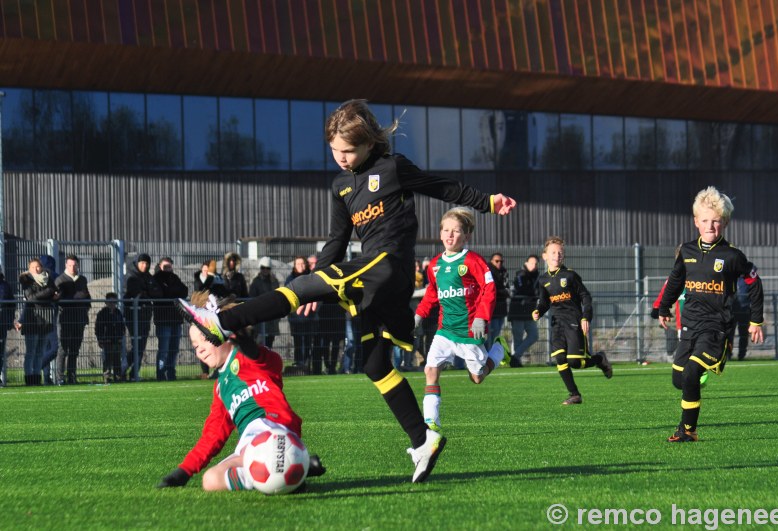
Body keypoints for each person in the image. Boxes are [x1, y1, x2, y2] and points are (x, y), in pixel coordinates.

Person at [178, 99, 516, 483]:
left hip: (389, 266)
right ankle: (423, 439)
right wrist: (314, 289)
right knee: (374, 363)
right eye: (334, 150)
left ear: (370, 143)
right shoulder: (340, 186)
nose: (340, 157)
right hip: (366, 278)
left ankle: (221, 320)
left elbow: (443, 187)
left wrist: (488, 202)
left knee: (302, 285)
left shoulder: (393, 168)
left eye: (348, 150)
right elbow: (336, 242)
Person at [157, 290, 325, 491]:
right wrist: (184, 471)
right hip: (252, 446)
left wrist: (248, 345)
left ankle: (285, 471)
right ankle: (293, 471)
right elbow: (213, 434)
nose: (199, 349)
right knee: (210, 480)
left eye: (205, 339)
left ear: (224, 334)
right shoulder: (221, 387)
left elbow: (272, 363)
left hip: (276, 430)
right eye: (195, 345)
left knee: (213, 480)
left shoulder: (247, 358)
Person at [657, 186, 764, 442]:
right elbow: (675, 280)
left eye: (716, 221)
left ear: (724, 222)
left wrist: (755, 320)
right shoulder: (687, 251)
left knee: (691, 373)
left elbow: (754, 283)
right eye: (705, 220)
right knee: (678, 379)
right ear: (696, 222)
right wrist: (664, 307)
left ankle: (688, 430)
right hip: (689, 328)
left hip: (716, 327)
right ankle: (698, 374)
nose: (710, 226)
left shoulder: (732, 256)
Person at [414, 207, 510, 431]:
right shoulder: (435, 265)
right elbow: (432, 293)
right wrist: (418, 316)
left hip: (469, 332)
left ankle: (498, 350)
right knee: (430, 370)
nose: (450, 235)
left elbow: (489, 288)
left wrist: (481, 318)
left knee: (477, 378)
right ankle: (431, 423)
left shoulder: (473, 260)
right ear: (440, 234)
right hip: (445, 330)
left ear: (466, 236)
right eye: (446, 230)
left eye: (455, 231)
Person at [533, 236, 613, 405]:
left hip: (574, 321)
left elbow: (586, 296)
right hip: (557, 323)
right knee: (560, 358)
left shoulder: (570, 275)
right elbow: (544, 301)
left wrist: (586, 316)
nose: (557, 255)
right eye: (553, 252)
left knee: (575, 362)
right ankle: (574, 394)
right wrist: (538, 311)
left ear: (564, 256)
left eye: (560, 252)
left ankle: (599, 359)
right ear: (544, 256)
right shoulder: (542, 280)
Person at [19, 258, 60, 386]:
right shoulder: (26, 280)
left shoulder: (48, 278)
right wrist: (48, 292)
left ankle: (37, 378)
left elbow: (54, 292)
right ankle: (28, 378)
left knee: (40, 352)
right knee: (31, 351)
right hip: (32, 319)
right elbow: (31, 298)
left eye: (38, 267)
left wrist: (52, 295)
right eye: (33, 267)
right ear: (29, 269)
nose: (37, 269)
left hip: (46, 319)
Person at [123, 253, 164, 381]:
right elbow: (136, 293)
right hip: (132, 315)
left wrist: (146, 292)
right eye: (142, 263)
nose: (144, 265)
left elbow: (158, 293)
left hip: (145, 315)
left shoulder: (149, 277)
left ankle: (134, 373)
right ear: (137, 263)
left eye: (147, 263)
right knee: (135, 344)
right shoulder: (131, 276)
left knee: (141, 345)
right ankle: (122, 369)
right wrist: (148, 292)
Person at [55, 254, 92, 385]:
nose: (72, 267)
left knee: (75, 350)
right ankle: (60, 377)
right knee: (63, 349)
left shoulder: (82, 279)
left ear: (78, 265)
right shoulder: (60, 280)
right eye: (70, 265)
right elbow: (60, 299)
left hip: (80, 318)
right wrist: (77, 297)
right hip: (65, 319)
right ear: (66, 265)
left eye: (75, 265)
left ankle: (72, 376)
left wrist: (85, 304)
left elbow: (87, 297)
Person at [153, 257, 189, 381]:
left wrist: (171, 291)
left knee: (174, 348)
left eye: (169, 266)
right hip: (163, 319)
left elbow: (184, 291)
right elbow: (162, 294)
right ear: (160, 266)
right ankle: (161, 373)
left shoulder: (174, 277)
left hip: (176, 319)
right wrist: (173, 292)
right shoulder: (156, 278)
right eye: (165, 266)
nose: (168, 269)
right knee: (164, 348)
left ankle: (170, 371)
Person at [193, 259, 226, 378]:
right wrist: (211, 276)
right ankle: (205, 371)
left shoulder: (217, 279)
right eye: (205, 269)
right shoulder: (199, 280)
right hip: (203, 315)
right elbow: (203, 289)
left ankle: (218, 367)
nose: (207, 271)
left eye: (209, 269)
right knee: (203, 341)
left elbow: (223, 292)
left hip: (214, 315)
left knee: (216, 341)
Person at [285, 256, 318, 371]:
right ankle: (299, 362)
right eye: (298, 264)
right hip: (295, 317)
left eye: (303, 263)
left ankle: (306, 362)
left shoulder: (311, 277)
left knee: (308, 340)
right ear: (294, 266)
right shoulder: (290, 279)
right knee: (298, 340)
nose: (301, 266)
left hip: (309, 316)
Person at [508, 254, 540, 367]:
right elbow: (523, 289)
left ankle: (515, 356)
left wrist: (534, 294)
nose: (534, 266)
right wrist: (534, 294)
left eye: (536, 264)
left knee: (534, 335)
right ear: (526, 263)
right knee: (518, 337)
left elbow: (537, 291)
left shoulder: (537, 276)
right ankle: (516, 361)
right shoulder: (520, 274)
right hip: (518, 310)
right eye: (532, 263)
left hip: (529, 311)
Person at [248, 257, 281, 348]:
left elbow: (278, 296)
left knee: (269, 343)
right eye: (263, 267)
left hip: (272, 318)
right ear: (260, 268)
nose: (265, 270)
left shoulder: (274, 281)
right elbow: (252, 298)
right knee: (259, 343)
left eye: (268, 268)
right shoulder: (256, 282)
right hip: (260, 317)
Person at [95, 292, 126, 383]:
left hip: (117, 340)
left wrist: (121, 336)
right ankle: (107, 377)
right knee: (107, 359)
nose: (112, 304)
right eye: (110, 302)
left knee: (117, 359)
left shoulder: (118, 313)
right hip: (106, 340)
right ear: (106, 302)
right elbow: (98, 328)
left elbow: (122, 326)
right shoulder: (102, 313)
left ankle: (118, 376)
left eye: (114, 302)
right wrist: (100, 339)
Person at [486, 253, 510, 347]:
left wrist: (502, 291)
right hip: (492, 309)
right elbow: (491, 289)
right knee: (491, 332)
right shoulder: (488, 271)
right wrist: (502, 291)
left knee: (496, 332)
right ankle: (486, 356)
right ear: (491, 261)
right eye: (497, 261)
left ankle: (489, 356)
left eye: (501, 261)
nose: (499, 263)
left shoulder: (504, 271)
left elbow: (506, 288)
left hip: (501, 307)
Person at [0, 265, 16, 387]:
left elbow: (12, 304)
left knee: (0, 351)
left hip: (2, 323)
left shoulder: (5, 285)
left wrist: (10, 320)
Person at [732, 277, 751, 360]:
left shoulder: (746, 277)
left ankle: (741, 354)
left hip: (744, 309)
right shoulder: (730, 276)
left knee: (743, 334)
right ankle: (728, 354)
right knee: (729, 334)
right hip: (731, 310)